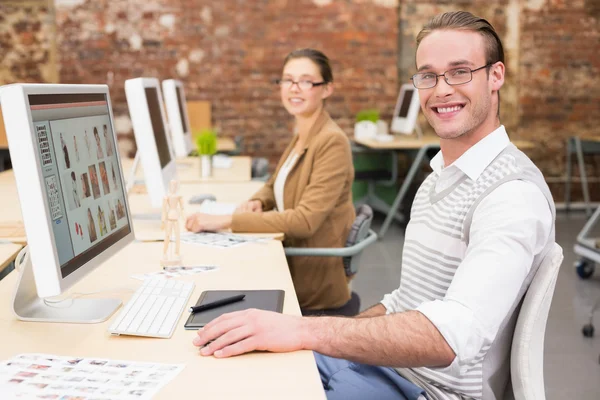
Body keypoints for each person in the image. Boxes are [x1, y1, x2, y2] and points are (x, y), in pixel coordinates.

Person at [190, 11, 556, 400]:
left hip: (430, 392)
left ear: (496, 75)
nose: (442, 89)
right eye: (428, 76)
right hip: (387, 371)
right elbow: (405, 302)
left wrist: (304, 330)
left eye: (460, 71)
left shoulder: (511, 196)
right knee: (224, 367)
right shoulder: (437, 179)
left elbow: (451, 337)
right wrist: (322, 339)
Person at [185, 48, 356, 312]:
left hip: (311, 281)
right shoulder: (303, 132)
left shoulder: (331, 141)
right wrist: (258, 201)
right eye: (288, 80)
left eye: (306, 81)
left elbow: (305, 220)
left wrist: (227, 220)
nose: (294, 88)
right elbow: (275, 182)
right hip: (291, 260)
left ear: (326, 89)